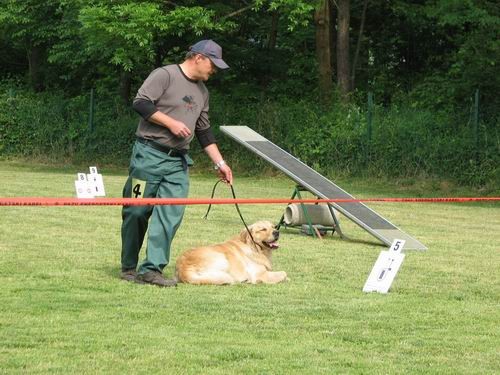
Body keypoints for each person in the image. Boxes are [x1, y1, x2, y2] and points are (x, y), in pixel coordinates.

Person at [120, 40, 233, 287]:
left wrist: (220, 163)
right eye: (213, 65)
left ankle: (151, 270)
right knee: (136, 210)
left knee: (170, 214)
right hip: (148, 156)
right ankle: (128, 266)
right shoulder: (164, 75)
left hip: (177, 163)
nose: (214, 71)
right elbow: (140, 103)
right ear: (199, 57)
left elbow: (204, 132)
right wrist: (170, 123)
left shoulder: (203, 92)